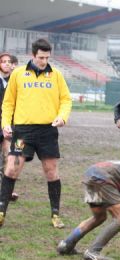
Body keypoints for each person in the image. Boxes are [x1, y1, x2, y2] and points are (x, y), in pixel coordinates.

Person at [0, 38, 72, 229]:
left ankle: (55, 214)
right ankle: (1, 212)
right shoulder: (18, 74)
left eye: (47, 57)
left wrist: (62, 117)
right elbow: (8, 103)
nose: (44, 61)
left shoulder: (56, 75)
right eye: (41, 57)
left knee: (51, 171)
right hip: (23, 131)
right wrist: (5, 123)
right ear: (33, 55)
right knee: (11, 169)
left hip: (48, 131)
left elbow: (65, 99)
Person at [0, 52, 19, 203]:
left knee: (10, 157)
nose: (6, 64)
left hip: (10, 125)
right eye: (3, 61)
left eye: (9, 61)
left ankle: (7, 190)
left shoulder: (16, 81)